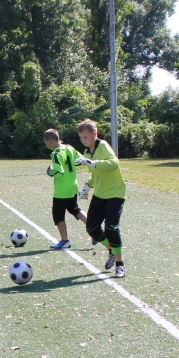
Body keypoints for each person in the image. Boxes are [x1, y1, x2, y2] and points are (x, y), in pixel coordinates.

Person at [76, 119, 127, 277]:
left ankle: (120, 264)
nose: (83, 140)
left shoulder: (103, 145)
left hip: (116, 192)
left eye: (85, 137)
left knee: (111, 227)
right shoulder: (86, 153)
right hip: (100, 193)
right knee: (91, 227)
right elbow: (95, 174)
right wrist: (87, 187)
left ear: (94, 134)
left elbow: (113, 163)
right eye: (81, 137)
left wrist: (92, 162)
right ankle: (111, 249)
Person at [43, 128, 87, 249]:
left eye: (46, 142)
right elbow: (79, 161)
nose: (46, 145)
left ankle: (64, 240)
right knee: (75, 209)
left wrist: (49, 172)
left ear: (50, 141)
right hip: (73, 186)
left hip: (62, 190)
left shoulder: (56, 154)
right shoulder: (69, 147)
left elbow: (59, 172)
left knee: (58, 214)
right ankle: (94, 229)